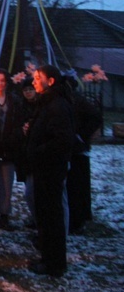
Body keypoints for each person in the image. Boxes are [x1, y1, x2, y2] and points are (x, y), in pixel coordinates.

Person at [26, 65, 76, 277]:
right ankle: (48, 257)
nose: (34, 81)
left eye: (38, 78)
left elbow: (62, 140)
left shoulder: (57, 105)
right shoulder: (46, 103)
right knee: (45, 215)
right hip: (43, 168)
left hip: (50, 169)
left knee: (51, 216)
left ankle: (54, 263)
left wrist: (38, 150)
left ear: (51, 81)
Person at [0, 68, 23, 231]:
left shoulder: (14, 101)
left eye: (3, 80)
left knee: (6, 185)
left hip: (9, 148)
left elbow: (18, 122)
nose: (0, 83)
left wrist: (13, 138)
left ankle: (5, 215)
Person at [65, 75, 102, 234]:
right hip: (70, 149)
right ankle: (74, 218)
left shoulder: (77, 101)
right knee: (71, 186)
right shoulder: (68, 101)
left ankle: (78, 219)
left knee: (78, 186)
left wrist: (81, 135)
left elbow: (95, 117)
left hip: (78, 151)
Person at [18, 76, 38, 227]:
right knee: (29, 188)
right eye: (26, 90)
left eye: (31, 89)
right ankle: (35, 218)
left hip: (38, 151)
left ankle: (39, 220)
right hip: (25, 152)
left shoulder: (41, 106)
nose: (28, 93)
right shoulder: (22, 106)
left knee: (33, 191)